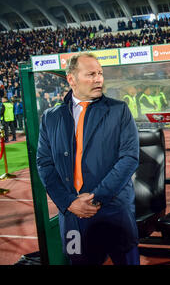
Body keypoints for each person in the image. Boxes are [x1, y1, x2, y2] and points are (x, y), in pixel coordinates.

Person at [36, 53, 140, 265]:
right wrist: (69, 203)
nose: (98, 79)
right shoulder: (51, 117)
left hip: (113, 212)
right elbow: (44, 163)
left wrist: (96, 198)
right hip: (73, 216)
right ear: (71, 79)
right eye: (91, 74)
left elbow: (129, 158)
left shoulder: (118, 110)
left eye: (100, 73)